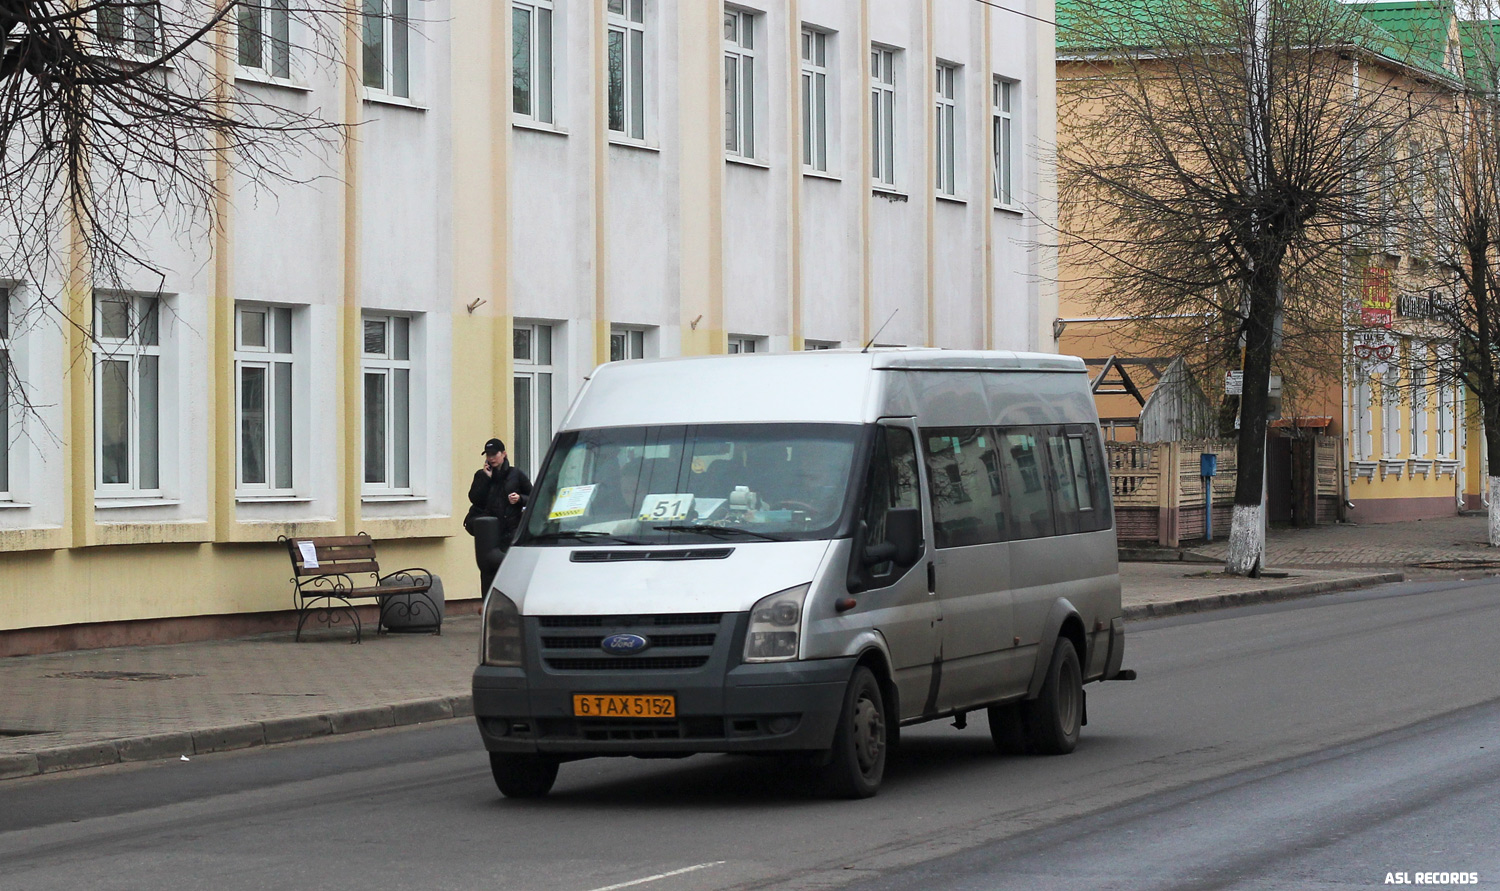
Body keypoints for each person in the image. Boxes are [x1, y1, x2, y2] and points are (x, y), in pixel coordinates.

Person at [465, 438, 532, 595]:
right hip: (489, 534)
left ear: (504, 454)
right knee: (488, 571)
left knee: (510, 569)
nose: (491, 458)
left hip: (511, 531)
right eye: (488, 455)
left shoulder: (516, 474)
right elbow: (475, 499)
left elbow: (533, 496)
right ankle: (488, 604)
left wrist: (520, 499)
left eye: (494, 454)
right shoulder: (481, 475)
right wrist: (485, 479)